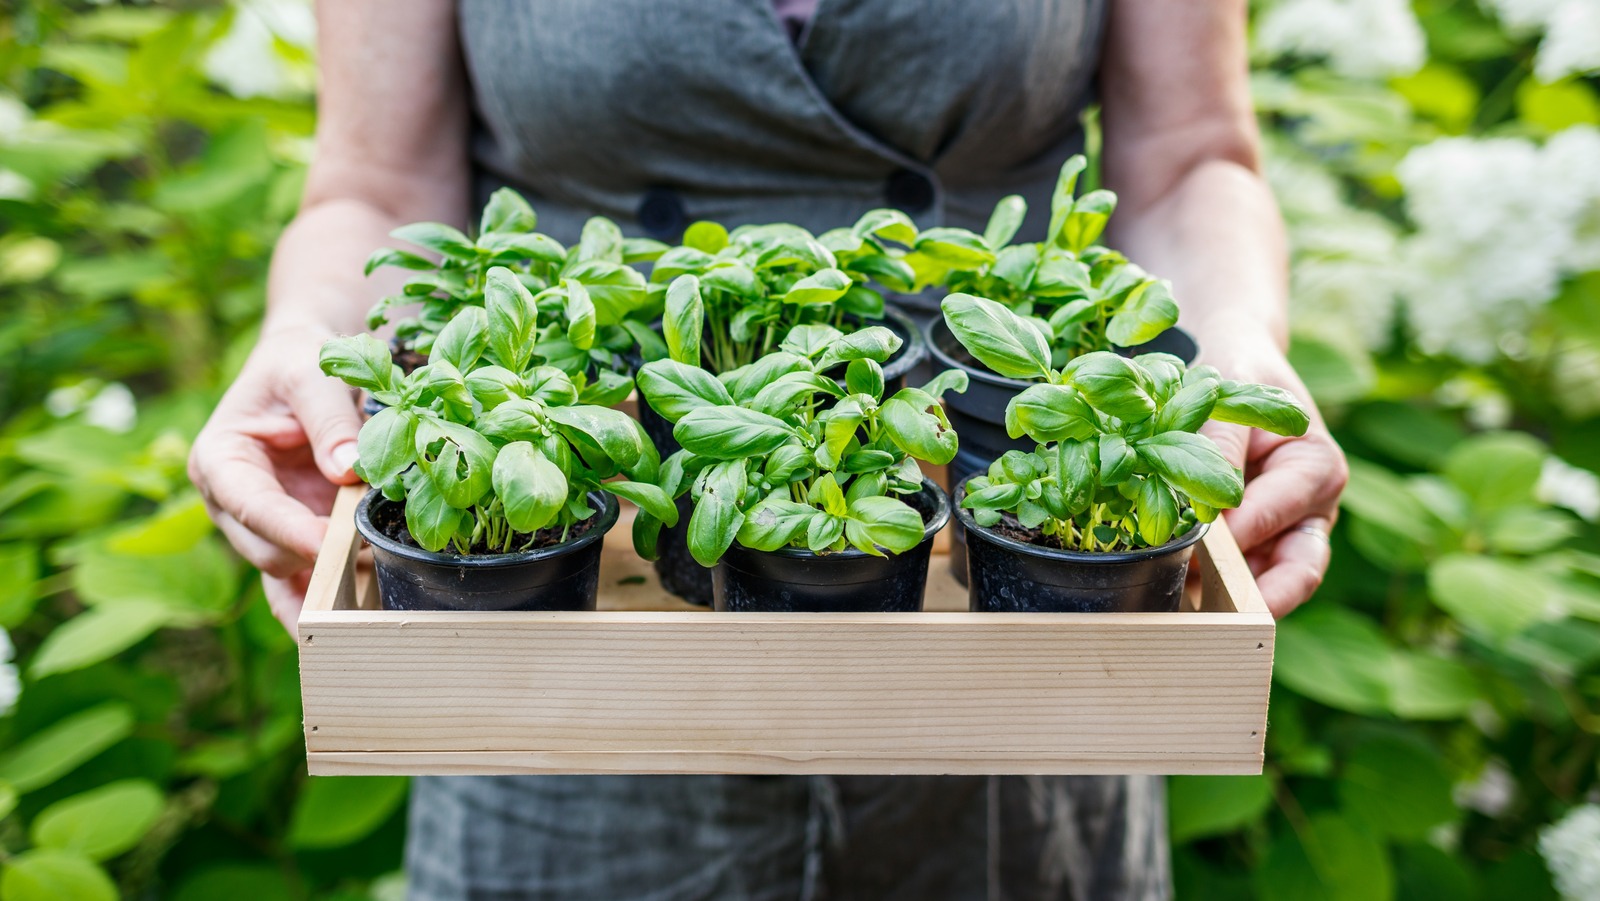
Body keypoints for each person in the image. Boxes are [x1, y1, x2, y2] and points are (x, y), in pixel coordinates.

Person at [190, 1, 1348, 898]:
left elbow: (1192, 152)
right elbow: (375, 179)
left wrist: (1237, 346)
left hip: (1022, 690)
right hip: (557, 699)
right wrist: (308, 340)